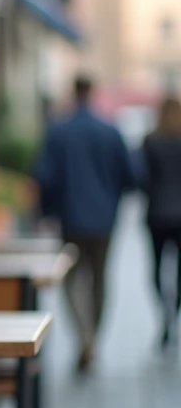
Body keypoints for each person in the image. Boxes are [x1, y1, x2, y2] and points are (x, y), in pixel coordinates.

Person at [33, 75, 136, 371]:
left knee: (72, 279)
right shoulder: (110, 129)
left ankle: (83, 334)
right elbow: (130, 176)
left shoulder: (58, 130)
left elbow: (45, 176)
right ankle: (93, 336)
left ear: (72, 91)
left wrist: (45, 213)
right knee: (100, 278)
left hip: (70, 218)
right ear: (93, 91)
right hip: (104, 219)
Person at [141, 95, 181, 349]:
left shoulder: (150, 141)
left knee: (156, 268)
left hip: (157, 214)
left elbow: (141, 178)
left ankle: (164, 313)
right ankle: (174, 311)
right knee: (179, 271)